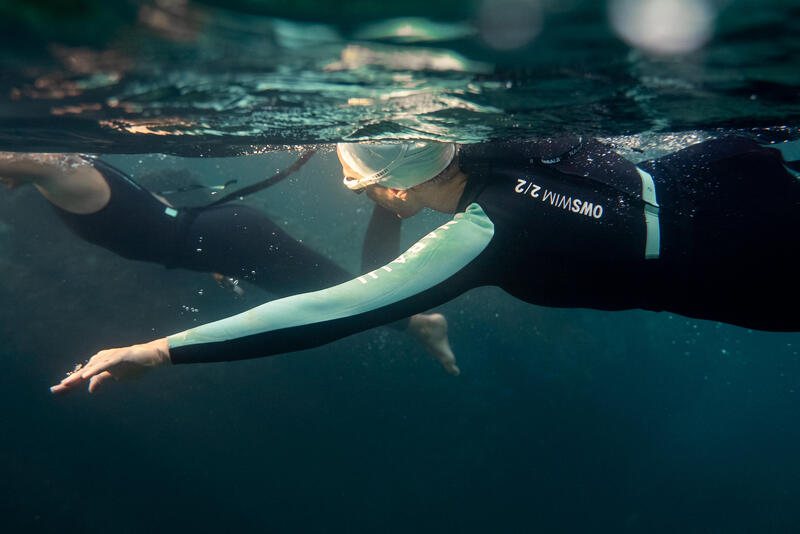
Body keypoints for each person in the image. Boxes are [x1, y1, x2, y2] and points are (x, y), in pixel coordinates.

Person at [49, 134, 800, 394]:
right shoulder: (513, 141)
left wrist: (160, 349)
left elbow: (333, 308)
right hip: (740, 180)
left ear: (396, 187)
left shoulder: (484, 233)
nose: (361, 197)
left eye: (360, 187)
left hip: (758, 272)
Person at [0, 152, 460, 376]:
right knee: (328, 298)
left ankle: (419, 314)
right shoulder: (74, 168)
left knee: (334, 300)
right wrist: (214, 262)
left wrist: (215, 254)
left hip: (230, 239)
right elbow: (155, 212)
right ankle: (417, 323)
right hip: (222, 239)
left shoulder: (59, 172)